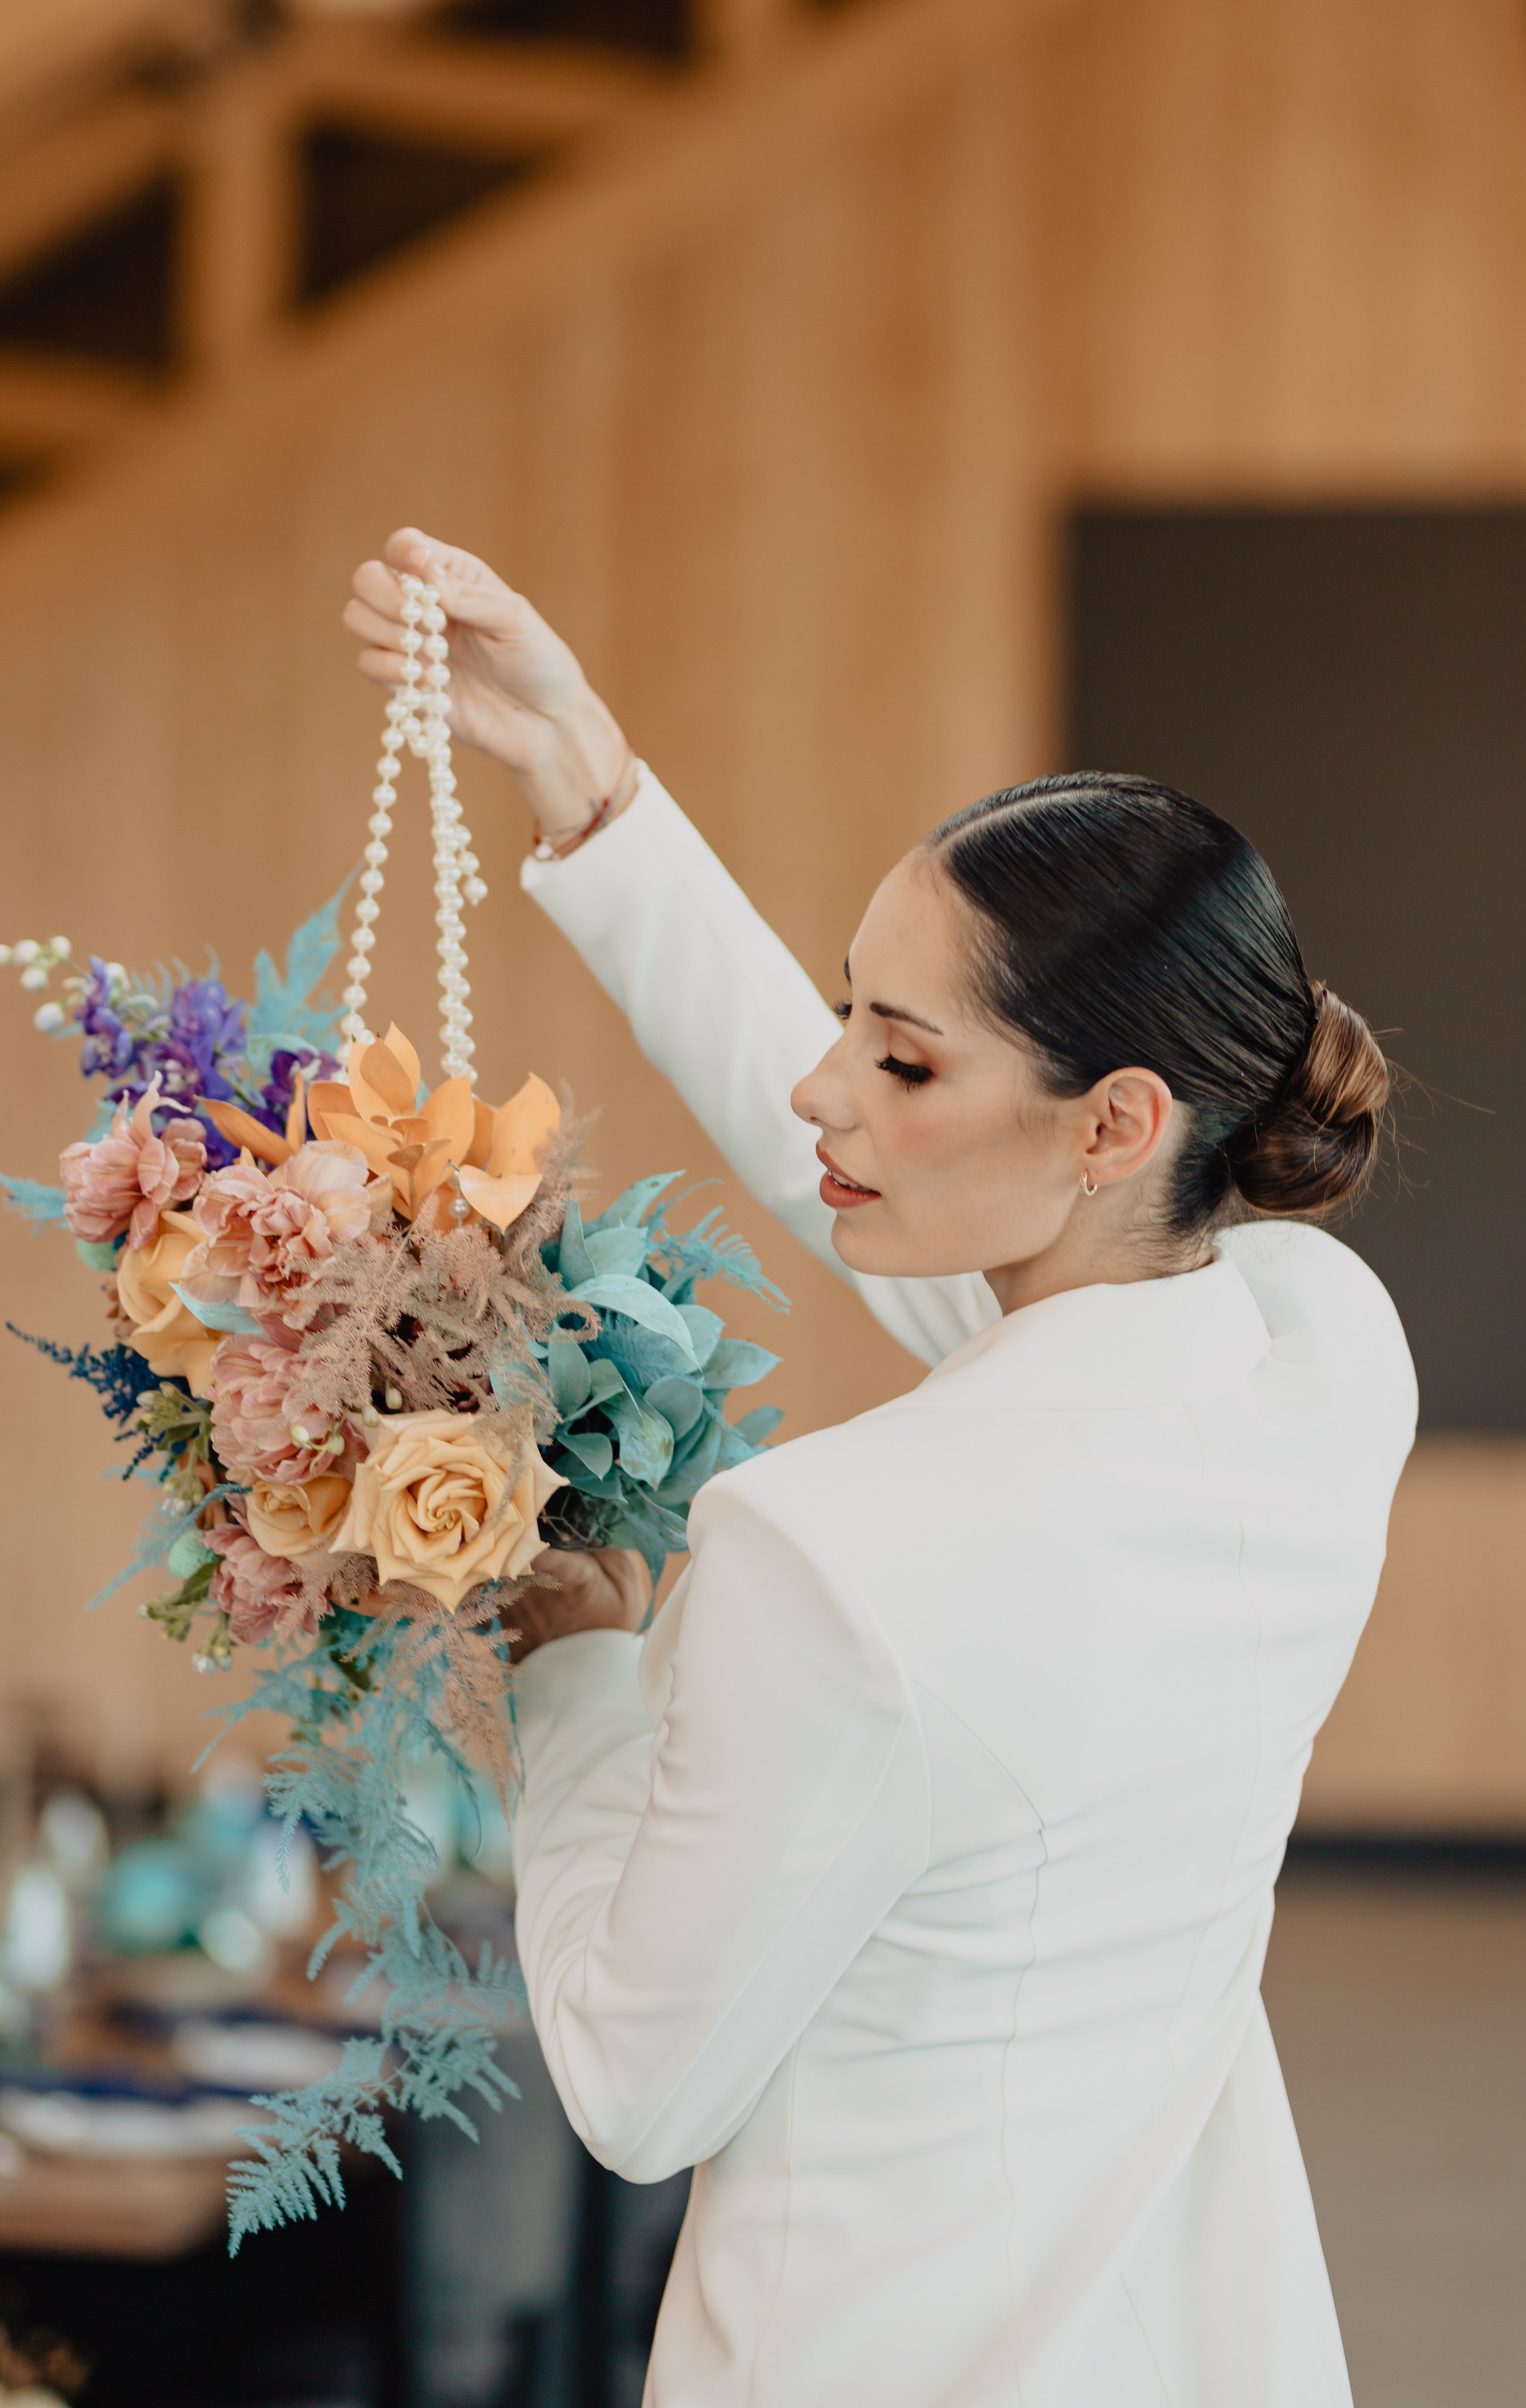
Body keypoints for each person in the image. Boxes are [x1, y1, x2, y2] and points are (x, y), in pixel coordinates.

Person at [344, 530, 1416, 2407]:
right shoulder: (1319, 1353)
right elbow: (998, 1295)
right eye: (845, 1007)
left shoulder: (826, 1550)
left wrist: (575, 1659)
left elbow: (634, 2083)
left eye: (899, 1057)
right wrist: (598, 795)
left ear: (1115, 1121)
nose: (823, 1087)